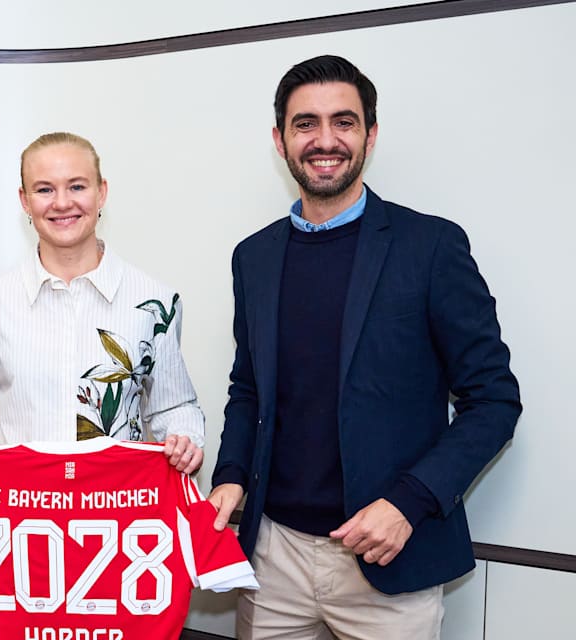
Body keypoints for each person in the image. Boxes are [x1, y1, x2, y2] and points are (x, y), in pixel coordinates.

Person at [208, 55, 521, 639]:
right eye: (305, 124)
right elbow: (248, 388)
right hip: (273, 557)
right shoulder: (253, 256)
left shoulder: (430, 247)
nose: (325, 140)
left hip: (390, 556)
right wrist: (230, 474)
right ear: (280, 140)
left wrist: (410, 501)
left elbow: (494, 402)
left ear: (370, 135)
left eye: (344, 122)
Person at [0, 132, 205, 475]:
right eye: (44, 189)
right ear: (25, 201)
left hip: (115, 508)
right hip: (23, 508)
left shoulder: (155, 303)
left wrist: (185, 439)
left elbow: (173, 408)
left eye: (77, 186)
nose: (61, 203)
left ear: (101, 192)